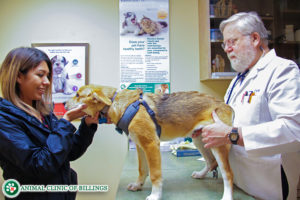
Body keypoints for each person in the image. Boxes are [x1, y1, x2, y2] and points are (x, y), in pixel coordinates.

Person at [201, 12, 300, 200]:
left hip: (268, 187)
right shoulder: (238, 80)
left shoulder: (282, 71)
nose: (227, 49)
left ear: (255, 39)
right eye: (224, 44)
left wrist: (231, 135)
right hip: (239, 185)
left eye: (232, 42)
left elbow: (294, 130)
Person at [0, 47, 100, 200]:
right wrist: (65, 122)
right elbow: (39, 165)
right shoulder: (4, 120)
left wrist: (87, 125)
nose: (47, 82)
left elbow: (68, 153)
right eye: (40, 75)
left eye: (48, 76)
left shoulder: (43, 112)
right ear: (18, 76)